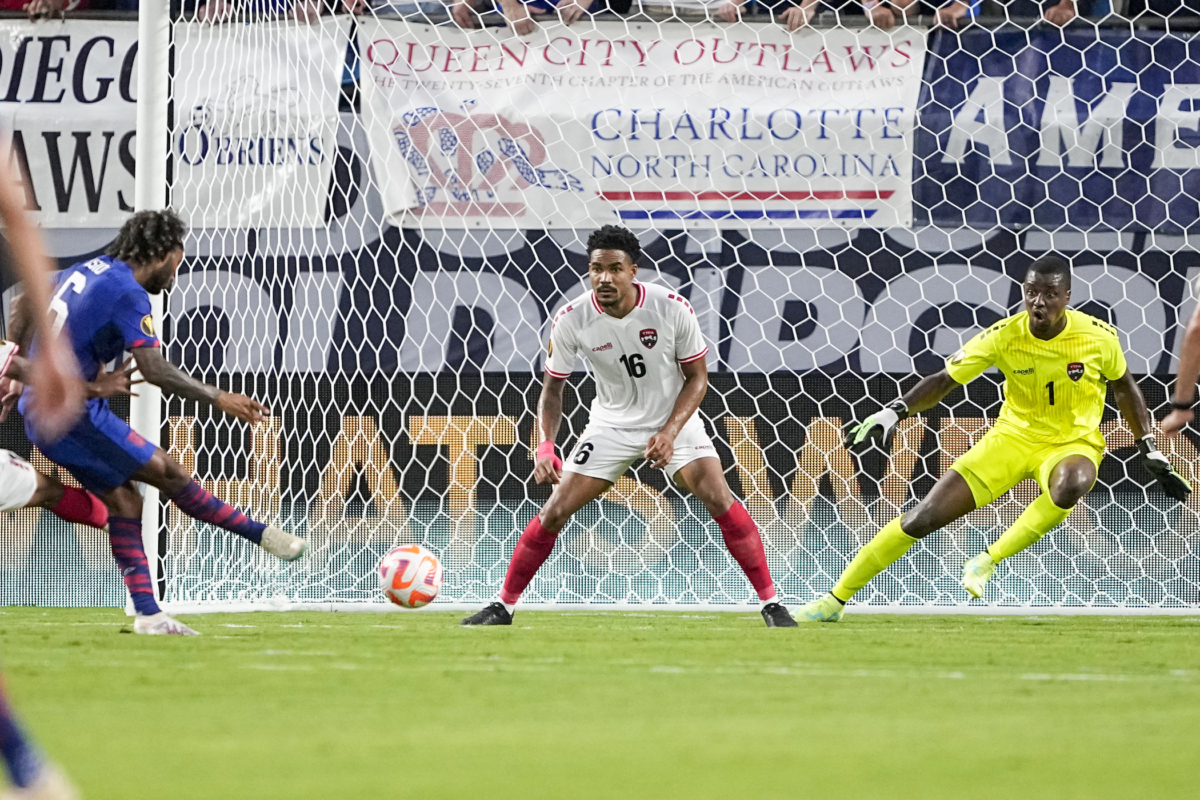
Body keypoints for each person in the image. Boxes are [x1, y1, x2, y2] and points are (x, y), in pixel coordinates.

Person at [799, 255, 1190, 621]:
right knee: (921, 520)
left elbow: (1124, 386)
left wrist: (1148, 445)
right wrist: (894, 411)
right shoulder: (1004, 335)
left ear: (1067, 297)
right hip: (1010, 440)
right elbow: (945, 380)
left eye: (1050, 294)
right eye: (1031, 292)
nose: (1039, 302)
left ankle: (987, 559)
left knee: (1072, 483)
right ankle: (834, 600)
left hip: (1073, 443)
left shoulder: (1097, 337)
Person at [461, 225, 797, 627]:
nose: (604, 278)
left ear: (632, 271)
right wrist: (546, 445)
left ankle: (772, 604)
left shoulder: (672, 308)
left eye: (614, 268)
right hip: (610, 426)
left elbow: (698, 378)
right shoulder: (572, 318)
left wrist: (670, 431)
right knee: (554, 511)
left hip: (672, 420)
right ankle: (504, 606)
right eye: (595, 269)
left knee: (719, 498)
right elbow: (553, 390)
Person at [13, 210, 307, 637]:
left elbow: (25, 299)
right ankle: (261, 536)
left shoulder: (87, 269)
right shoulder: (128, 292)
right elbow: (154, 369)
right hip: (66, 413)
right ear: (165, 254)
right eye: (177, 264)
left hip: (54, 405)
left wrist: (14, 362)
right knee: (168, 472)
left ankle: (149, 615)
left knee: (127, 503)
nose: (174, 277)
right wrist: (218, 397)